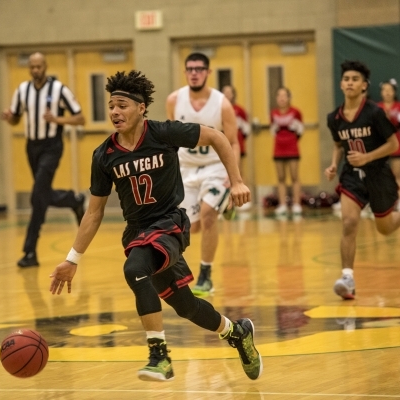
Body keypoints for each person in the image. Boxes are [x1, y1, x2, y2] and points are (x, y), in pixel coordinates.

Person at [49, 70, 262, 382]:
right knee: (185, 306)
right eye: (111, 106)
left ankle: (159, 355)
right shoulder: (104, 155)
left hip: (170, 224)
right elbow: (93, 214)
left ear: (141, 108)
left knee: (134, 268)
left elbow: (217, 137)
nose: (114, 112)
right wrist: (72, 259)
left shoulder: (163, 133)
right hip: (137, 231)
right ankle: (236, 332)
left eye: (122, 105)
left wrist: (237, 180)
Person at [325, 60, 400, 300]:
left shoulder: (374, 113)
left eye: (355, 79)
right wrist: (334, 164)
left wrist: (367, 157)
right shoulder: (334, 118)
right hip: (351, 177)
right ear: (341, 84)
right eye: (346, 78)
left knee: (385, 228)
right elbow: (338, 144)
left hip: (378, 175)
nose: (350, 82)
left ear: (364, 86)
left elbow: (393, 144)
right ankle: (347, 279)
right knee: (348, 223)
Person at [1, 52, 86, 268]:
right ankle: (72, 200)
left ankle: (30, 251)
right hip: (32, 147)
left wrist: (56, 119)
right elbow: (16, 119)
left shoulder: (59, 89)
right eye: (32, 67)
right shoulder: (22, 90)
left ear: (45, 67)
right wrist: (10, 118)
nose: (36, 70)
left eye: (39, 66)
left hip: (52, 145)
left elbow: (80, 117)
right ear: (29, 68)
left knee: (37, 195)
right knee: (42, 193)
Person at [166, 53, 240, 296]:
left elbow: (233, 142)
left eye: (199, 68)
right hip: (186, 168)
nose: (194, 72)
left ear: (208, 72)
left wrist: (235, 177)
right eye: (190, 69)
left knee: (208, 217)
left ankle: (206, 275)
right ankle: (224, 205)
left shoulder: (222, 105)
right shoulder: (175, 100)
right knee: (192, 227)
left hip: (215, 167)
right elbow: (169, 139)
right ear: (185, 72)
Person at [270, 87, 304, 216]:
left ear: (289, 98)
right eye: (279, 95)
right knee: (280, 178)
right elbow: (273, 131)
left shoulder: (296, 112)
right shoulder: (273, 113)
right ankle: (282, 204)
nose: (282, 98)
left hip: (292, 148)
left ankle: (296, 204)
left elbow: (300, 130)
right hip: (278, 149)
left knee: (295, 177)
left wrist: (291, 140)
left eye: (284, 95)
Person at [377, 79, 400, 205]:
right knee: (379, 174)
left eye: (390, 90)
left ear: (394, 92)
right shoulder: (377, 107)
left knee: (397, 174)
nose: (387, 93)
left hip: (396, 143)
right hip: (381, 144)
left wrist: (391, 118)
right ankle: (380, 201)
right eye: (385, 90)